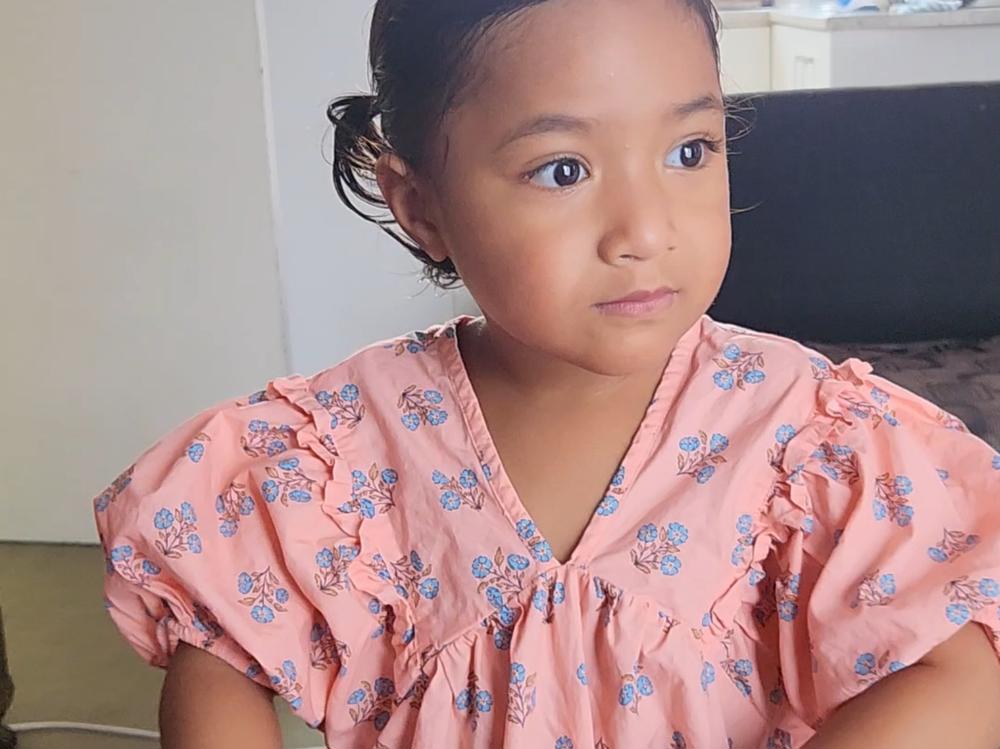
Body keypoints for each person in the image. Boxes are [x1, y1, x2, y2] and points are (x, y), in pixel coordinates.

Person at [92, 0, 1000, 746]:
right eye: (563, 170)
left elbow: (952, 672)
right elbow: (218, 650)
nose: (645, 230)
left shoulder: (809, 441)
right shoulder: (337, 453)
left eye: (689, 151)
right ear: (422, 207)